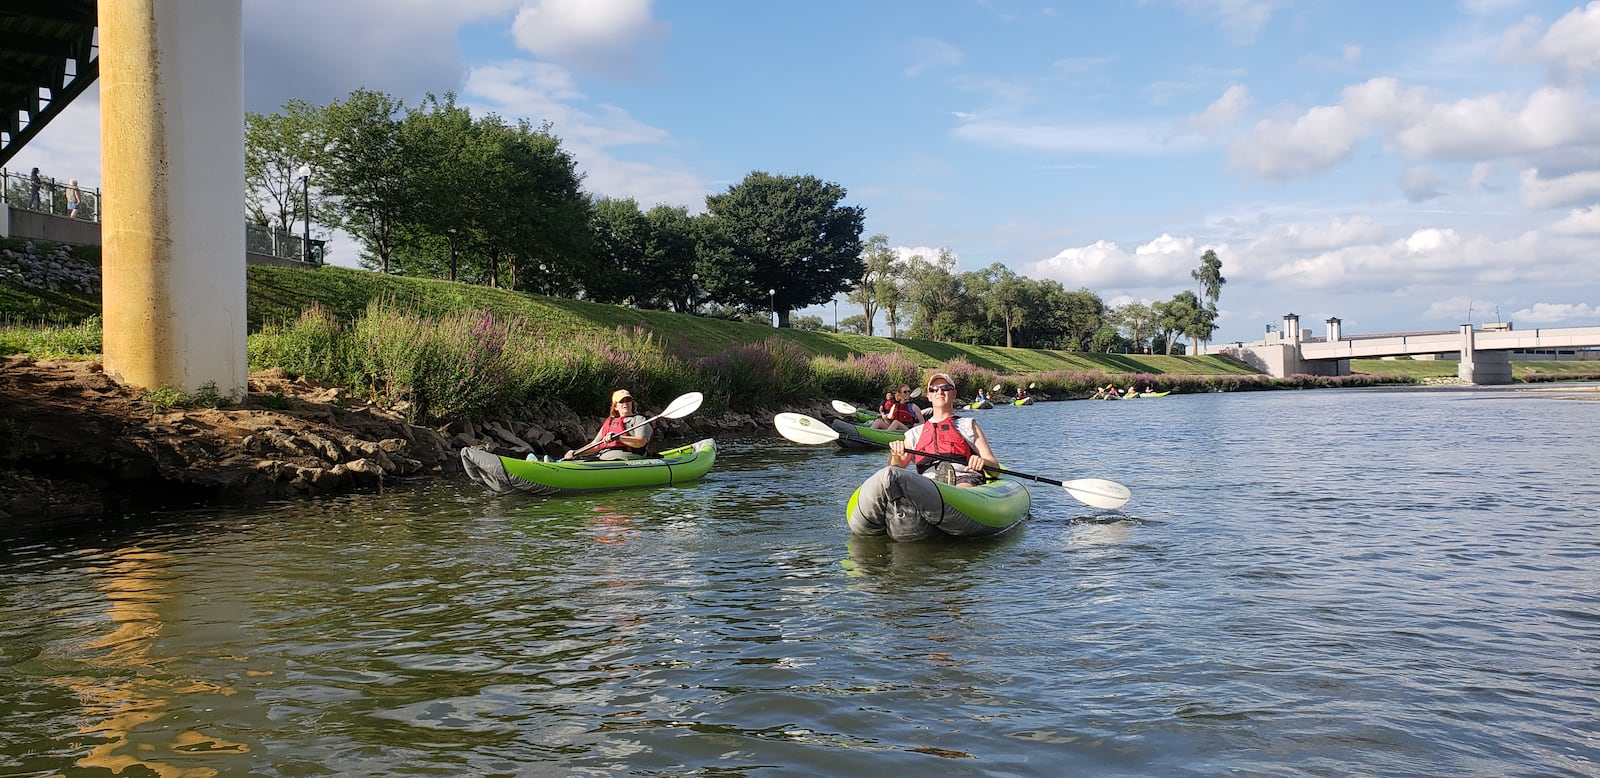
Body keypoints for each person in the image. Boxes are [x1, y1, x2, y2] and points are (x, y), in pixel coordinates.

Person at [887, 372, 1000, 488]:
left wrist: (982, 462)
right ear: (929, 396)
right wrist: (895, 454)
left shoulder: (968, 425)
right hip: (927, 484)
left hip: (964, 478)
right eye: (934, 389)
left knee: (962, 487)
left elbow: (995, 469)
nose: (939, 392)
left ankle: (950, 496)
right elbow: (895, 470)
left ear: (954, 394)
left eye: (945, 388)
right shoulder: (914, 434)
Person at [563, 389, 653, 460]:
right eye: (621, 401)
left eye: (628, 400)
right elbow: (596, 445)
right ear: (616, 406)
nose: (625, 403)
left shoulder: (639, 420)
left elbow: (641, 442)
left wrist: (619, 438)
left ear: (632, 403)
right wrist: (577, 452)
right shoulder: (610, 422)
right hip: (604, 458)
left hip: (628, 459)